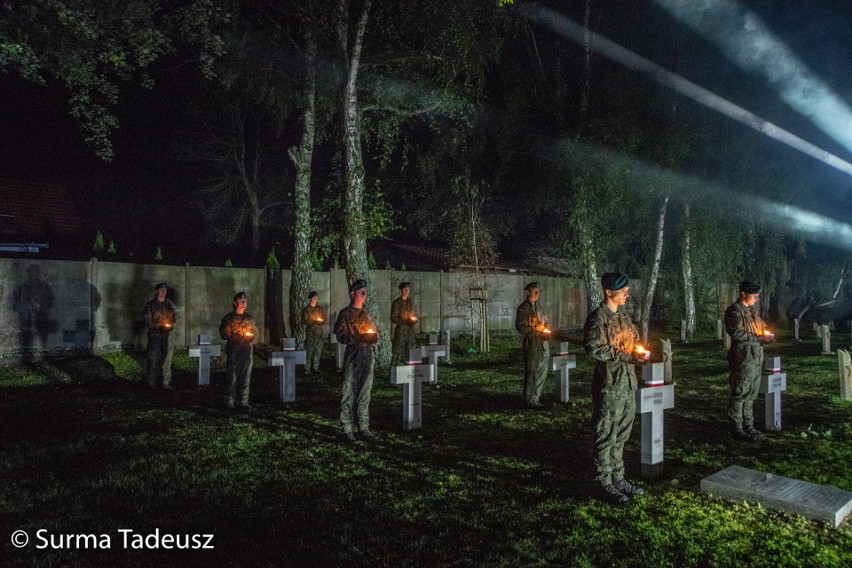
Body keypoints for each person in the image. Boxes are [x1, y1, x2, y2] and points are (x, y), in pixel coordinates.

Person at [583, 272, 647, 504]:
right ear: (609, 292)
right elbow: (593, 347)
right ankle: (603, 481)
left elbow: (635, 339)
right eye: (623, 292)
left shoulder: (624, 317)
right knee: (606, 433)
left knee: (622, 432)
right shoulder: (597, 318)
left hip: (628, 384)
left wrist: (638, 352)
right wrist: (623, 355)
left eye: (627, 291)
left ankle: (618, 478)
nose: (627, 295)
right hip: (609, 384)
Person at [725, 280, 775, 440]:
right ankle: (737, 427)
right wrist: (759, 338)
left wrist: (766, 335)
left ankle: (749, 425)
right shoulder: (734, 312)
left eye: (758, 296)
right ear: (743, 294)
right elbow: (737, 332)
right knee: (740, 392)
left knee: (752, 393)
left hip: (755, 358)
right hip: (743, 358)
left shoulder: (752, 312)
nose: (757, 299)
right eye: (754, 296)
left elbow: (761, 328)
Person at [334, 279, 378, 443]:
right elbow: (340, 335)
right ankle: (346, 428)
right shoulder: (345, 314)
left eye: (365, 291)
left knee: (365, 391)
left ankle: (363, 427)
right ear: (353, 293)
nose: (364, 294)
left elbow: (374, 332)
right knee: (349, 390)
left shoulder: (367, 314)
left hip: (368, 354)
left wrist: (372, 337)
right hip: (354, 354)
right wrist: (357, 337)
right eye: (361, 291)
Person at [219, 291, 258, 410]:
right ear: (235, 303)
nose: (244, 303)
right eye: (241, 301)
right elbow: (224, 334)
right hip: (234, 349)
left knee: (245, 376)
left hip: (246, 349)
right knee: (232, 376)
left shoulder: (248, 318)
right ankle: (229, 400)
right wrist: (236, 336)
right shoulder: (229, 318)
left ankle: (243, 401)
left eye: (245, 301)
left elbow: (255, 332)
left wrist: (251, 336)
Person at [515, 282, 551, 408]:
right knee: (531, 373)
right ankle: (528, 399)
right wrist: (536, 329)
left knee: (542, 372)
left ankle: (536, 397)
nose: (537, 294)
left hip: (543, 344)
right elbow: (521, 328)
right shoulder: (523, 308)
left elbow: (545, 322)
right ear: (527, 292)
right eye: (535, 291)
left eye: (538, 292)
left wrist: (546, 328)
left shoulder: (539, 307)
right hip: (532, 345)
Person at [142, 282, 177, 389]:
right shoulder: (150, 305)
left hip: (167, 336)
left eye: (165, 290)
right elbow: (147, 319)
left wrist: (170, 325)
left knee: (167, 359)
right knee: (153, 358)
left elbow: (176, 317)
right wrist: (157, 326)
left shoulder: (170, 305)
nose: (163, 292)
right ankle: (151, 381)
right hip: (155, 336)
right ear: (156, 291)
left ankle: (165, 382)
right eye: (161, 290)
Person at [390, 281, 418, 366]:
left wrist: (414, 319)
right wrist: (404, 322)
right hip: (401, 332)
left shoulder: (410, 302)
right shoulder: (396, 303)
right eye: (405, 289)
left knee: (411, 353)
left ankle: (410, 374)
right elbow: (393, 318)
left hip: (410, 332)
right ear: (401, 290)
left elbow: (414, 314)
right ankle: (393, 374)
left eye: (408, 289)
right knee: (397, 353)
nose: (407, 290)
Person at [302, 291, 325, 374]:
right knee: (309, 350)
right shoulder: (307, 310)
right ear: (310, 299)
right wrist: (313, 321)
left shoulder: (320, 309)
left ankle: (315, 367)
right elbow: (305, 321)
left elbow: (323, 319)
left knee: (318, 350)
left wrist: (320, 321)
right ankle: (306, 369)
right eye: (314, 297)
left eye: (316, 297)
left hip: (319, 333)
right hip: (311, 333)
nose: (315, 299)